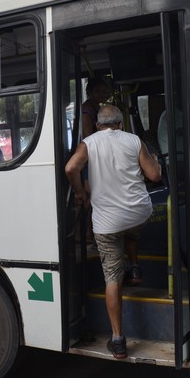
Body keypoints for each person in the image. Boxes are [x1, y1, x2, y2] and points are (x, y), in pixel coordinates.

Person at [65, 105, 161, 359]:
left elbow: (70, 168)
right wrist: (157, 165)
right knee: (131, 227)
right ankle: (136, 266)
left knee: (112, 277)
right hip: (139, 213)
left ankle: (117, 339)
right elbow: (153, 174)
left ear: (98, 125)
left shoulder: (89, 143)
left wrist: (79, 192)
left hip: (107, 223)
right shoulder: (134, 140)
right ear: (120, 124)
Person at [81, 77, 110, 249]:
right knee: (90, 200)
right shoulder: (87, 110)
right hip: (90, 160)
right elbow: (87, 135)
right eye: (98, 91)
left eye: (105, 91)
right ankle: (88, 236)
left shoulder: (97, 108)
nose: (103, 94)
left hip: (95, 159)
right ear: (90, 92)